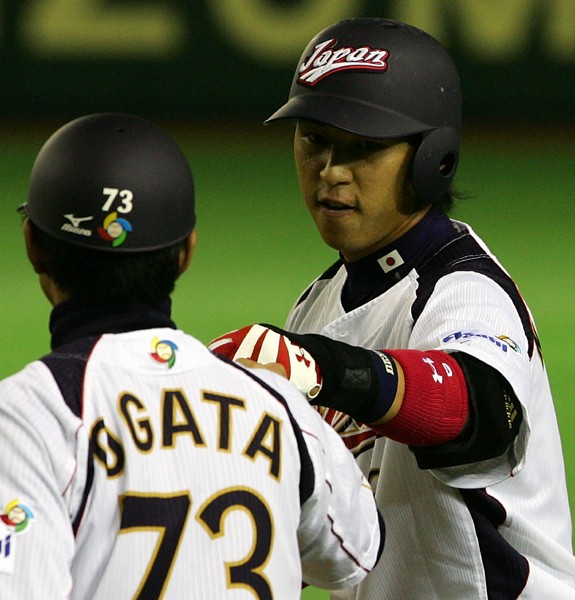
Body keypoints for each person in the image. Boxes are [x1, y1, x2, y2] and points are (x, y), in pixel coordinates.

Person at [209, 18, 575, 599]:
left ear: (434, 159)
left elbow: (482, 412)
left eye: (363, 147)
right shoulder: (320, 301)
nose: (330, 170)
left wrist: (325, 369)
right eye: (314, 139)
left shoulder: (463, 288)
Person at [0, 113, 384, 599]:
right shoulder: (279, 405)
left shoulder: (28, 414)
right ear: (186, 251)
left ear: (33, 245)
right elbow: (357, 550)